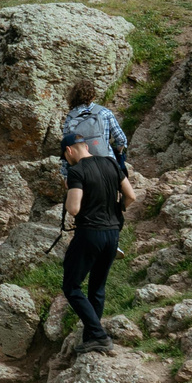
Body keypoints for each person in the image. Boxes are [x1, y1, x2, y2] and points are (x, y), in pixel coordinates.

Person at [60, 134, 144, 355]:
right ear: (86, 146)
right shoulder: (110, 163)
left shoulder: (76, 171)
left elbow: (74, 208)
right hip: (113, 234)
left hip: (90, 233)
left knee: (71, 286)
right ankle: (91, 337)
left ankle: (98, 334)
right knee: (97, 287)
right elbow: (131, 196)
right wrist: (116, 210)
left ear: (69, 151)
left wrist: (69, 189)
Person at [60, 77, 128, 177]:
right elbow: (122, 139)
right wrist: (118, 152)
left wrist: (66, 174)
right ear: (93, 96)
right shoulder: (104, 112)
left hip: (83, 168)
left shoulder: (71, 117)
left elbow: (67, 147)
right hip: (107, 163)